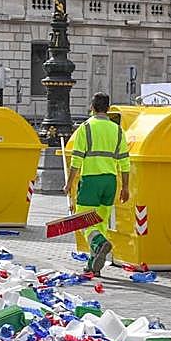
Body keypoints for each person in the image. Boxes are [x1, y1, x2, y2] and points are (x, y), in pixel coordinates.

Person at [65, 92, 130, 274]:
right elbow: (125, 161)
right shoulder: (117, 130)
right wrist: (125, 187)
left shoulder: (85, 128)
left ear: (91, 107)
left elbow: (76, 159)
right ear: (108, 109)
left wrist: (69, 183)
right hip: (110, 181)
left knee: (82, 221)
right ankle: (93, 266)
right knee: (100, 223)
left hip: (91, 179)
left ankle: (100, 243)